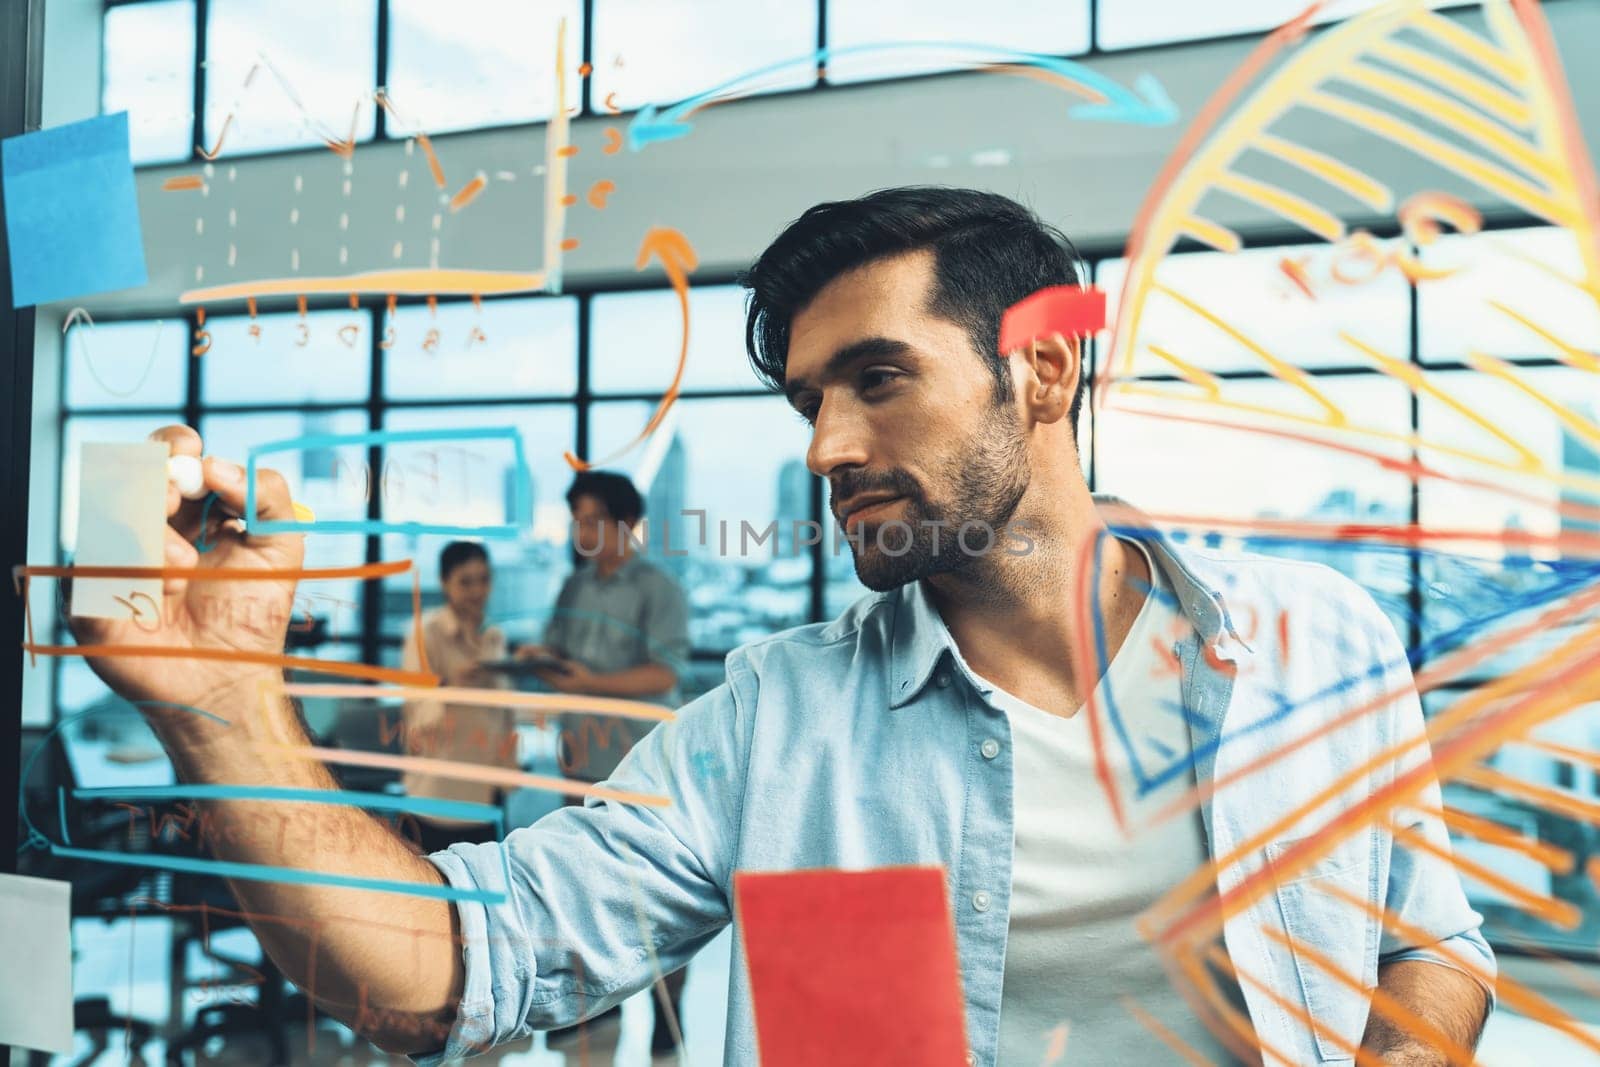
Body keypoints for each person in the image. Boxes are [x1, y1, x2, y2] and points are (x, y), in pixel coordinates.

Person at [74, 187, 1493, 1067]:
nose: (828, 445)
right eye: (811, 399)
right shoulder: (774, 725)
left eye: (879, 376)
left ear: (1044, 371)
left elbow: (1431, 944)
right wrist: (220, 707)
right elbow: (446, 970)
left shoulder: (1322, 644)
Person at [514, 471, 691, 1055]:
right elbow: (560, 652)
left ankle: (671, 1010)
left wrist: (592, 682)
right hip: (580, 754)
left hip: (639, 758)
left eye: (591, 519)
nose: (581, 531)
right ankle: (586, 1005)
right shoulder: (576, 586)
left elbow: (663, 674)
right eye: (577, 520)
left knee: (654, 893)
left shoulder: (658, 588)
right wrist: (539, 659)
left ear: (624, 522)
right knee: (581, 885)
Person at [398, 541, 512, 856]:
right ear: (445, 583)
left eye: (484, 579)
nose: (477, 590)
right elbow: (417, 707)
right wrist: (453, 685)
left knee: (485, 887)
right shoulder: (425, 633)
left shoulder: (494, 634)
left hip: (486, 786)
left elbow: (502, 712)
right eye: (465, 581)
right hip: (439, 790)